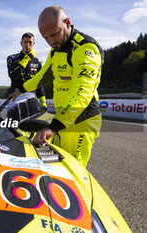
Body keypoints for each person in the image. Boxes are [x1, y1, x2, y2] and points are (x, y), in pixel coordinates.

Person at [9, 6, 104, 167]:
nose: (51, 41)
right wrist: (21, 90)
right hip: (61, 118)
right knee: (52, 165)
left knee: (71, 169)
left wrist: (53, 127)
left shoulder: (86, 49)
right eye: (46, 38)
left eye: (54, 34)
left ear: (67, 23)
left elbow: (82, 92)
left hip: (82, 119)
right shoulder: (55, 51)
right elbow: (42, 75)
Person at [6, 33, 47, 111]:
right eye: (25, 42)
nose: (27, 44)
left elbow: (39, 83)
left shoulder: (37, 62)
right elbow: (13, 75)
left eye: (30, 42)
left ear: (33, 44)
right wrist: (26, 59)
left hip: (32, 100)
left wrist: (43, 102)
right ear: (21, 43)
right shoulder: (12, 58)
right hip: (16, 99)